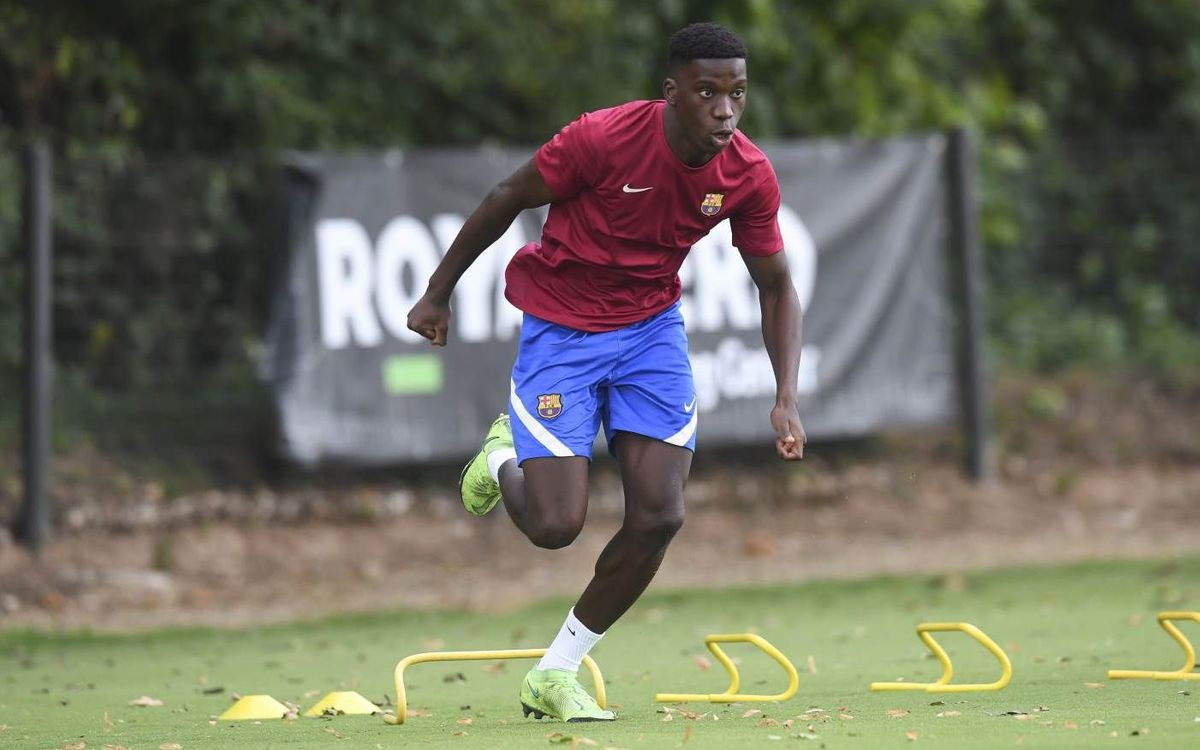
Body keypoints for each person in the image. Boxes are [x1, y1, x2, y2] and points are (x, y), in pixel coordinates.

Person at [406, 21, 805, 722]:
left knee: (661, 513)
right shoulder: (601, 138)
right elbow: (505, 197)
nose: (724, 110)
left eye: (737, 93)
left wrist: (785, 395)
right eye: (708, 92)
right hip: (562, 327)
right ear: (671, 93)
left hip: (651, 334)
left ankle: (555, 672)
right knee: (556, 525)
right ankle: (503, 454)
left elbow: (776, 284)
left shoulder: (746, 172)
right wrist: (437, 293)